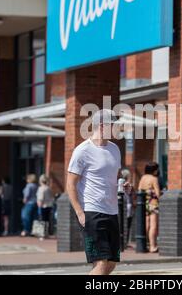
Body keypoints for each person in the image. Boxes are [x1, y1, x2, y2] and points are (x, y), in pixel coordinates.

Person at [67, 109, 132, 275]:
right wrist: (80, 213)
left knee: (111, 263)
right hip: (92, 212)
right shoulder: (82, 151)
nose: (118, 129)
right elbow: (70, 184)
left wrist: (124, 185)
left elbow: (114, 176)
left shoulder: (115, 149)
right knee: (102, 263)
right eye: (114, 125)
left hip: (111, 212)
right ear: (103, 126)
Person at [138, 162, 161, 253]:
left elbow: (140, 190)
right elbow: (158, 193)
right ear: (154, 170)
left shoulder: (143, 178)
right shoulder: (154, 179)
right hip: (153, 203)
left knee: (146, 225)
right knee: (153, 225)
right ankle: (152, 246)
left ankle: (145, 244)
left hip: (144, 203)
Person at [120, 168, 134, 248]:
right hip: (126, 207)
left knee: (128, 225)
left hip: (128, 207)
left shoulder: (128, 184)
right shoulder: (122, 184)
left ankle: (126, 242)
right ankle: (124, 242)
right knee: (126, 224)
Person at [37, 174, 55, 238]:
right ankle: (46, 233)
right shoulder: (48, 188)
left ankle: (42, 233)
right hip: (49, 206)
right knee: (47, 220)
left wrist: (39, 206)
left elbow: (40, 198)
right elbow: (52, 198)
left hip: (43, 206)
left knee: (42, 220)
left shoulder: (41, 188)